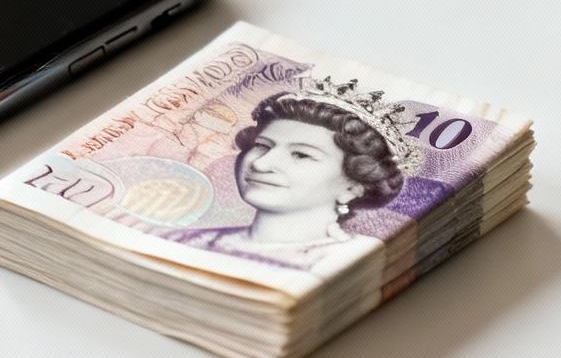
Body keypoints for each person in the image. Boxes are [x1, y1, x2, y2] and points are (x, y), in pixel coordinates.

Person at [164, 87, 409, 270]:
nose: (261, 163)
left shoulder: (347, 260)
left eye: (301, 154)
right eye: (262, 145)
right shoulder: (187, 240)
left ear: (354, 185)